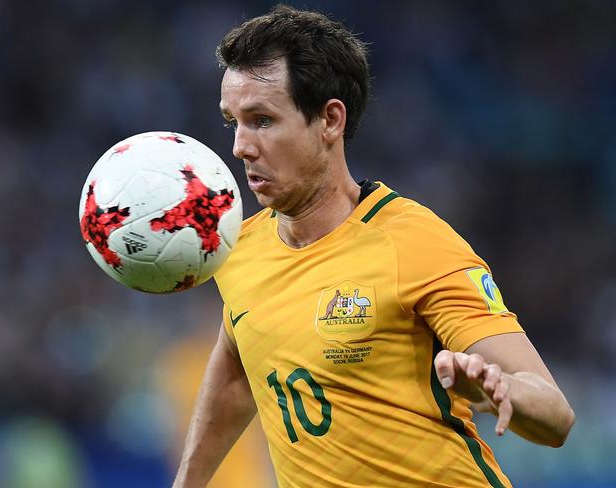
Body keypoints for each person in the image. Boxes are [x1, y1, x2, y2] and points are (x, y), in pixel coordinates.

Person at [173, 5, 575, 488]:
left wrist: (499, 388)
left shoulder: (414, 243)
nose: (239, 146)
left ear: (330, 120)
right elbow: (240, 368)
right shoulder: (240, 249)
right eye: (231, 122)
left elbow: (555, 415)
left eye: (261, 120)